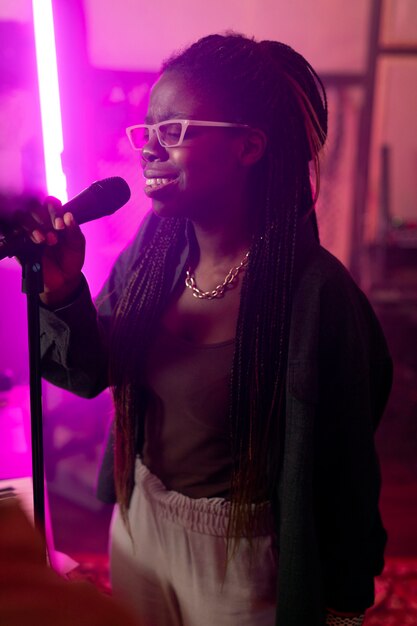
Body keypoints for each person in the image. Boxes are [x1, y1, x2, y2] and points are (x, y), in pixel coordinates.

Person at [20, 33, 391, 626]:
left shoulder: (321, 299)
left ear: (249, 147)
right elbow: (90, 373)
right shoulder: (154, 251)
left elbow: (347, 480)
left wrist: (343, 608)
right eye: (148, 131)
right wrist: (63, 291)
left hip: (241, 559)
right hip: (140, 524)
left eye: (174, 131)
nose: (148, 150)